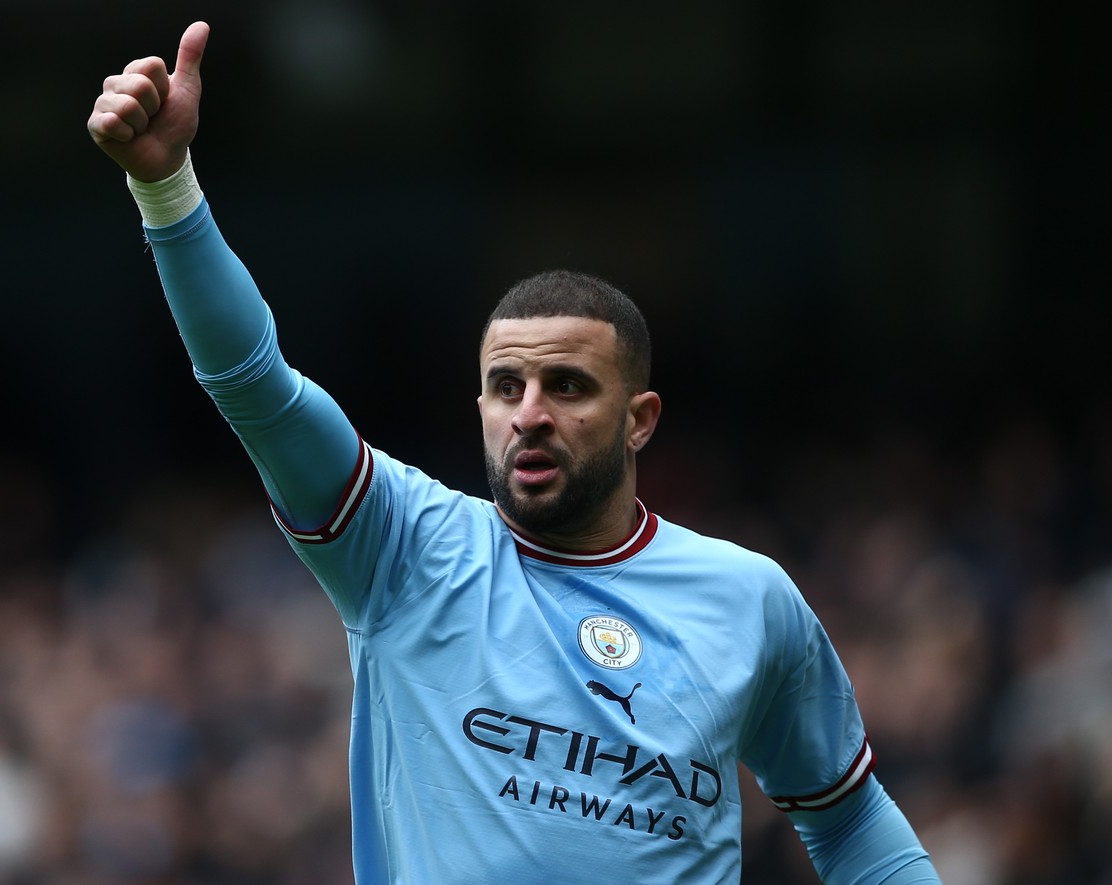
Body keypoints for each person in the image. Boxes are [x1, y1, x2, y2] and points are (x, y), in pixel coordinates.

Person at [88, 21, 940, 884]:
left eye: (567, 387)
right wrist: (167, 187)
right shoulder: (402, 546)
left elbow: (851, 821)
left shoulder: (751, 601)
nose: (529, 413)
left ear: (640, 418)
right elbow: (256, 385)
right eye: (506, 387)